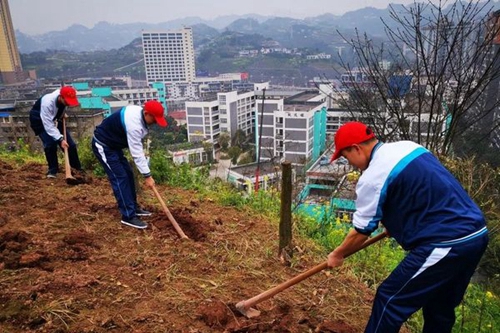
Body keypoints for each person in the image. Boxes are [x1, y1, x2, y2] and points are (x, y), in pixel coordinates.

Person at [327, 121, 488, 333]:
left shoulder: (373, 176)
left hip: (446, 242)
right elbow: (424, 191)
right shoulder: (409, 147)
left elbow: (361, 230)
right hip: (476, 234)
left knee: (390, 299)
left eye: (348, 158)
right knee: (440, 306)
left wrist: (338, 254)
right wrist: (398, 224)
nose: (353, 165)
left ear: (356, 148)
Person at [91, 100, 167, 229]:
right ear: (146, 113)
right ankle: (128, 216)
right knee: (120, 178)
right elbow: (136, 153)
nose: (155, 123)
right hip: (103, 146)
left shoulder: (139, 115)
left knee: (128, 174)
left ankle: (134, 208)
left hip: (114, 146)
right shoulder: (134, 126)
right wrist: (147, 176)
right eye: (154, 119)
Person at [29, 86, 84, 178]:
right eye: (66, 101)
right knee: (50, 144)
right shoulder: (47, 103)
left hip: (55, 119)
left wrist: (61, 114)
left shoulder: (63, 96)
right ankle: (52, 170)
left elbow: (65, 99)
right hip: (40, 120)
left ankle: (77, 169)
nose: (68, 104)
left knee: (71, 145)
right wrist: (60, 139)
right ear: (60, 97)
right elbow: (48, 125)